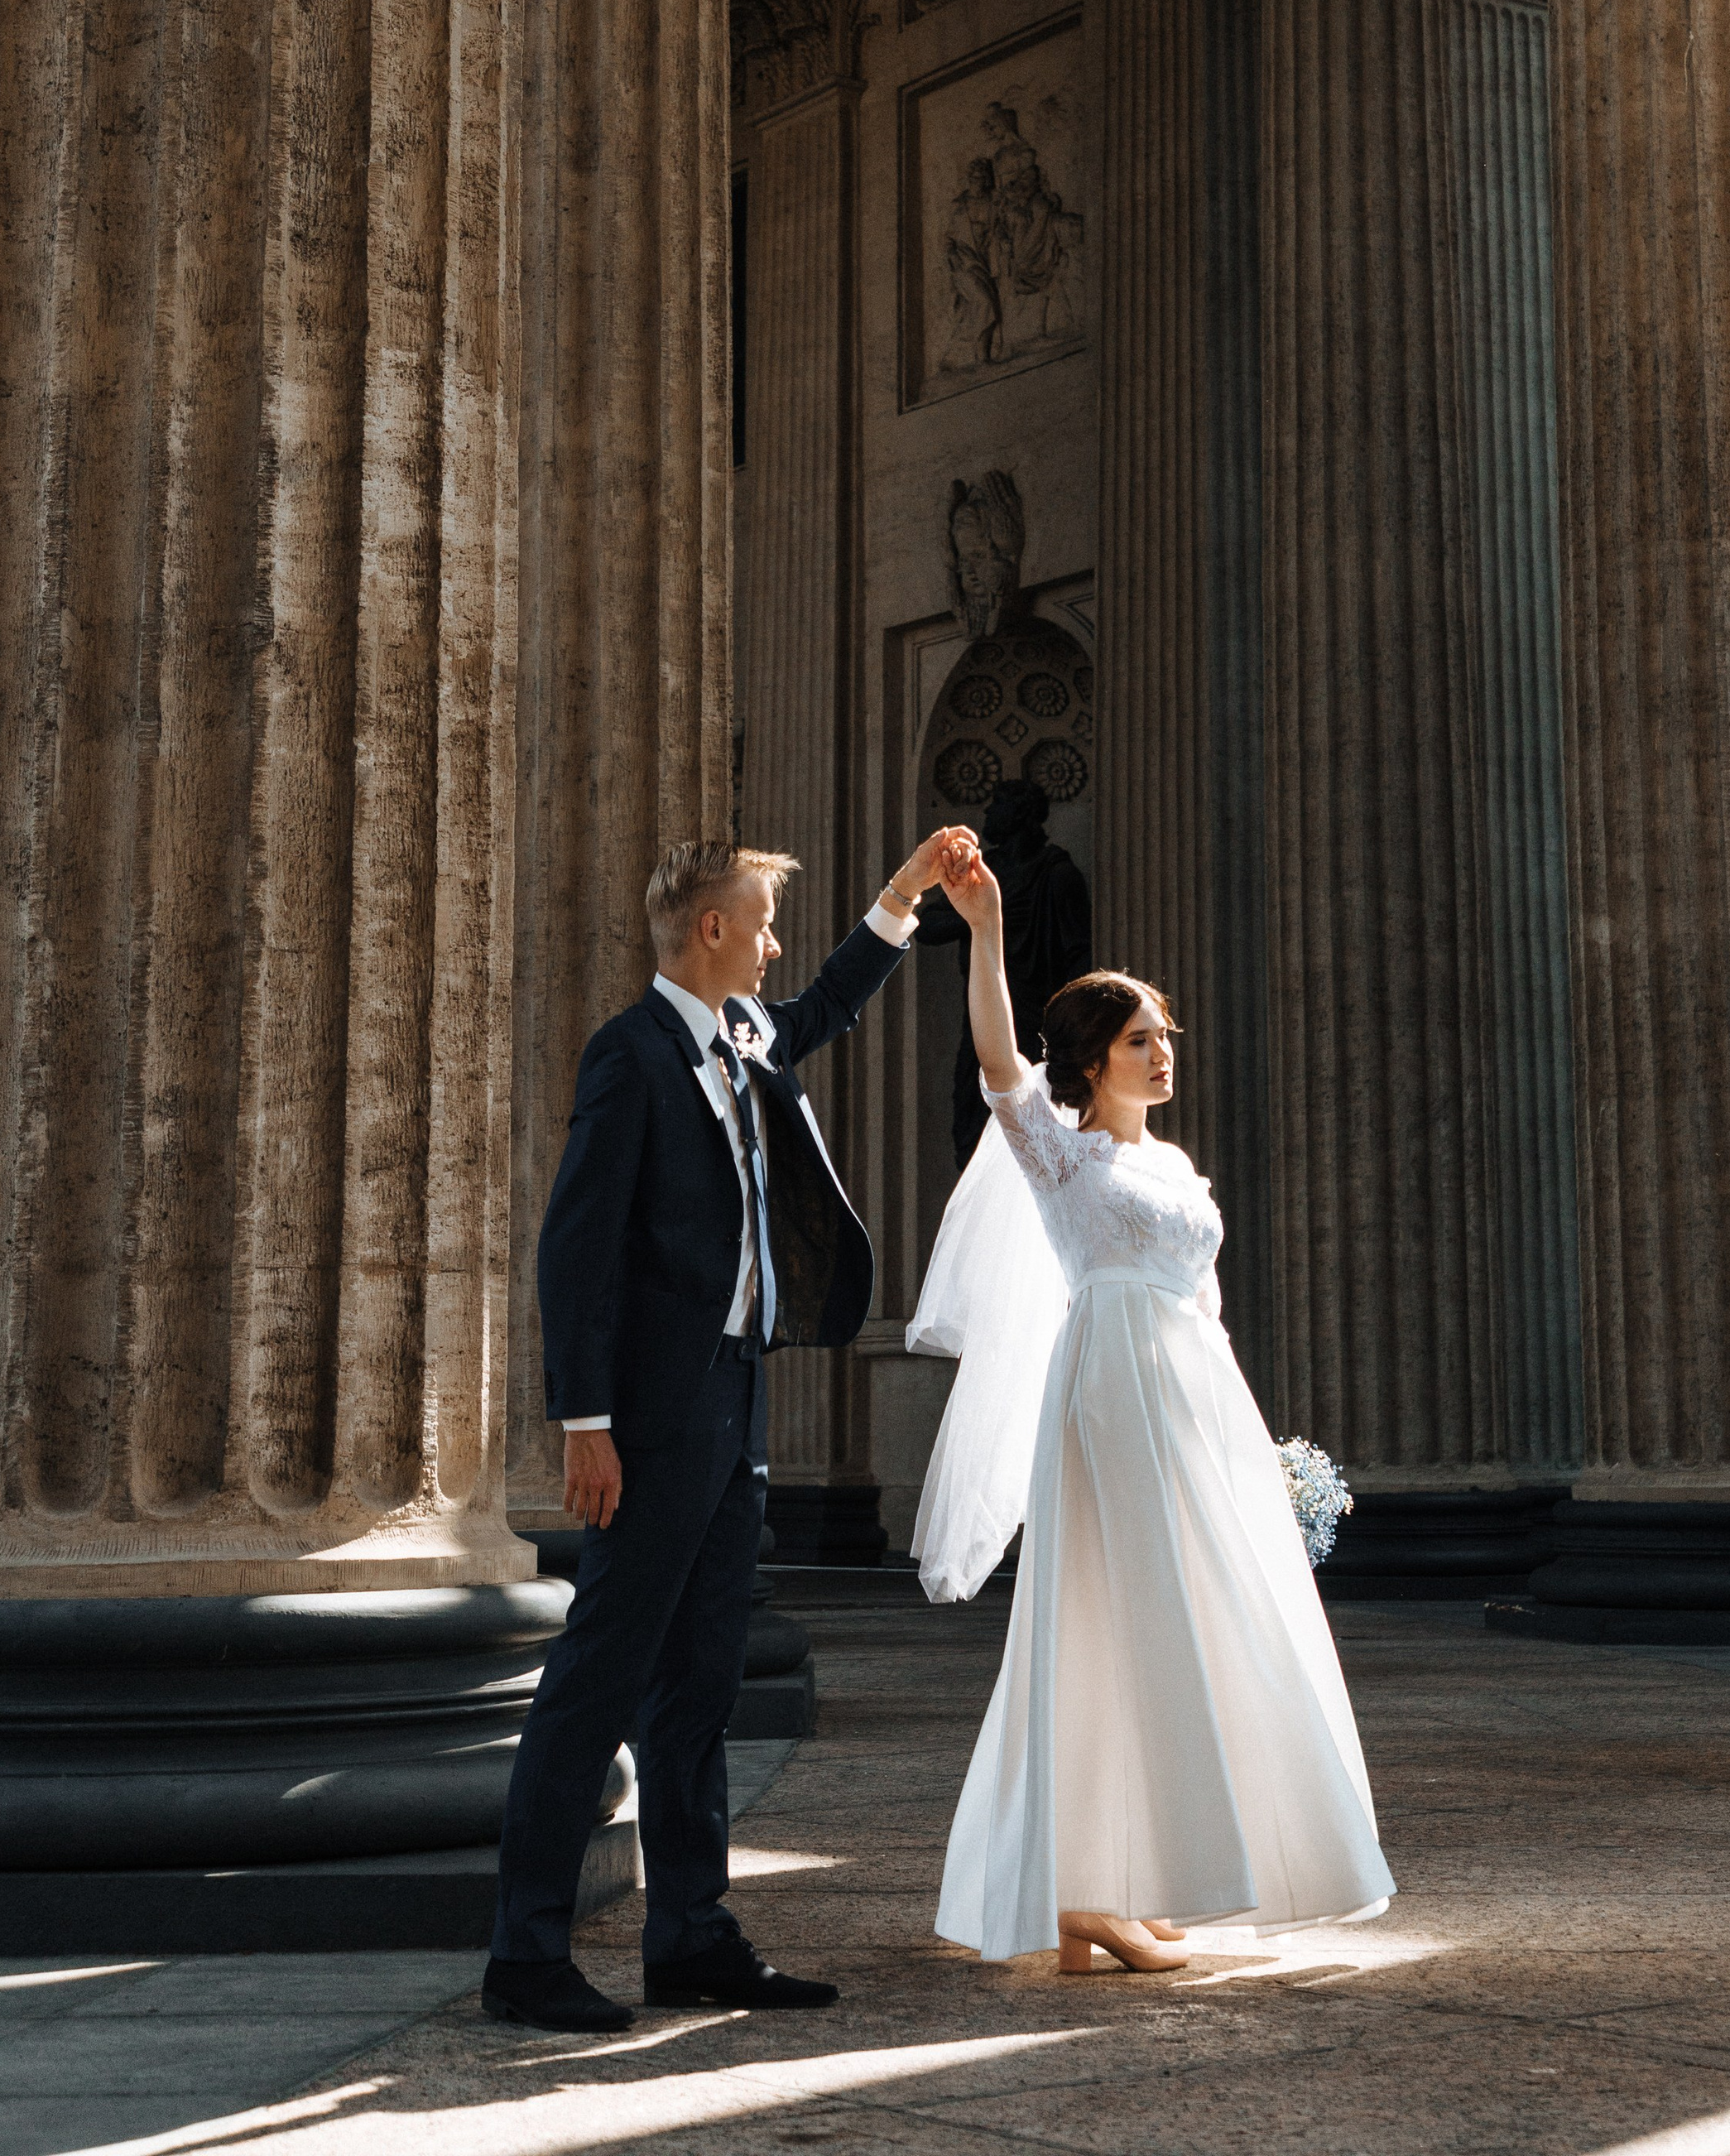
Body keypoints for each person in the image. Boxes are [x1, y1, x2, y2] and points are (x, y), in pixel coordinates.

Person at [483, 828, 966, 2034]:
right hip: (649, 1416)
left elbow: (825, 1005)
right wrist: (583, 1420)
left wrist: (902, 901)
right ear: (709, 930)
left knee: (699, 1681)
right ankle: (526, 1954)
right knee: (598, 1680)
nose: (772, 941)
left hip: (738, 1394)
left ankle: (692, 1934)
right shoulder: (630, 1056)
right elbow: (576, 1248)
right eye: (759, 921)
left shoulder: (748, 1037)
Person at [921, 835, 1395, 1972]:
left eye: (1166, 1037)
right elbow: (996, 1061)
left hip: (1192, 1392)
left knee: (1201, 1619)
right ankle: (1089, 1888)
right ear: (1091, 1059)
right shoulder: (1062, 1158)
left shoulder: (1176, 1171)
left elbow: (1207, 1306)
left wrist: (1248, 1444)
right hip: (1110, 1391)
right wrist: (984, 932)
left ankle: (1133, 1877)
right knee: (1120, 1616)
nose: (1164, 1051)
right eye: (1143, 1039)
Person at [916, 777, 1091, 1167]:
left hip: (1042, 1030)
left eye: (998, 804)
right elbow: (926, 926)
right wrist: (984, 917)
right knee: (972, 1127)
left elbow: (1080, 960)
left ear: (1021, 813)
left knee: (1039, 1133)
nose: (988, 813)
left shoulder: (1056, 875)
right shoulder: (984, 876)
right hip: (984, 1021)